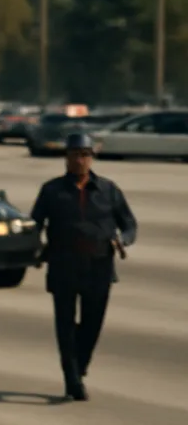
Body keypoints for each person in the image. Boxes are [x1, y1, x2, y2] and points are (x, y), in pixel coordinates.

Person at [30, 131, 137, 401]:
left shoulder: (108, 190)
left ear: (92, 157)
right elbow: (35, 224)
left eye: (86, 155)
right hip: (64, 264)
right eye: (76, 155)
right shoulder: (52, 190)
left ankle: (79, 365)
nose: (80, 160)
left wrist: (122, 240)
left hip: (99, 265)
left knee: (92, 323)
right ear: (66, 158)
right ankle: (72, 379)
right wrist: (35, 249)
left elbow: (129, 224)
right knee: (65, 325)